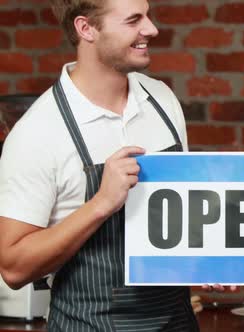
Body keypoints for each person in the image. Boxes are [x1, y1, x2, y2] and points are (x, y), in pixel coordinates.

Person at [0, 0, 200, 330]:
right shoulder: (37, 133)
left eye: (147, 16)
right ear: (86, 29)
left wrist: (210, 262)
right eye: (134, 20)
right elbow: (13, 268)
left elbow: (181, 215)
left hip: (177, 320)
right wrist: (101, 204)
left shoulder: (162, 100)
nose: (151, 29)